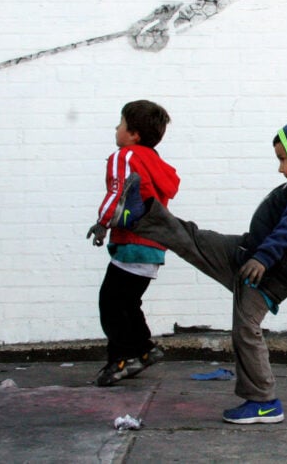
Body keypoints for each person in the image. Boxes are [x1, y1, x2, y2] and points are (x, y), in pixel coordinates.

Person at [111, 115, 287, 423]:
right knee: (195, 239)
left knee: (245, 332)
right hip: (248, 254)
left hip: (265, 275)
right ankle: (140, 213)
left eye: (283, 160)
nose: (280, 168)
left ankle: (264, 402)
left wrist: (264, 258)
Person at [86, 100, 180, 387]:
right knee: (126, 302)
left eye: (121, 123)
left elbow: (118, 192)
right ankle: (144, 349)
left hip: (131, 242)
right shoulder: (156, 161)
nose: (117, 128)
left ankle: (123, 359)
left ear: (134, 134)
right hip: (153, 246)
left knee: (111, 303)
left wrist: (102, 222)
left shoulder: (125, 156)